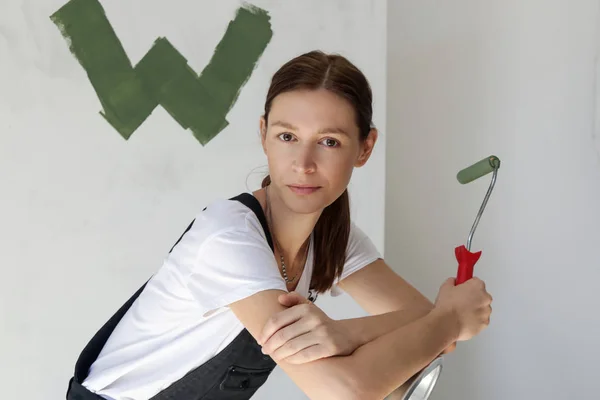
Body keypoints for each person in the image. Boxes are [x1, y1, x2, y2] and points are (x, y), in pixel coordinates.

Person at [65, 50, 493, 400]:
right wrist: (448, 322)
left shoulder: (332, 238)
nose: (303, 165)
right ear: (264, 134)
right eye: (288, 137)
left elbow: (422, 320)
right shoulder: (229, 237)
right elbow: (344, 389)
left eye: (329, 142)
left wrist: (345, 334)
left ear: (365, 148)